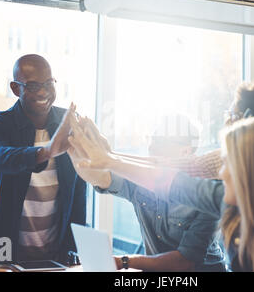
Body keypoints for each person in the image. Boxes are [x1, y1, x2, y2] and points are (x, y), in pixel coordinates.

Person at [68, 116, 254, 271]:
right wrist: (108, 159)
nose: (221, 173)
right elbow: (170, 182)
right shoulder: (228, 198)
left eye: (228, 165)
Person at [67, 114, 227, 272]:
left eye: (160, 141)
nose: (151, 147)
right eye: (151, 138)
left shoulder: (206, 193)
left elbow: (185, 262)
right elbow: (101, 177)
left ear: (186, 151)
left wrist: (122, 261)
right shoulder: (141, 179)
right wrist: (75, 148)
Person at [0, 54, 86, 264]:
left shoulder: (68, 124)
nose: (44, 92)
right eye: (33, 86)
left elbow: (79, 191)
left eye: (48, 83)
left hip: (59, 255)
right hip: (5, 250)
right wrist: (45, 151)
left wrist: (78, 249)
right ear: (15, 88)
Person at [112, 82, 254, 181]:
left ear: (248, 119)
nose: (226, 121)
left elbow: (177, 167)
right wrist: (108, 157)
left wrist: (107, 157)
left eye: (231, 114)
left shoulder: (244, 161)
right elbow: (177, 165)